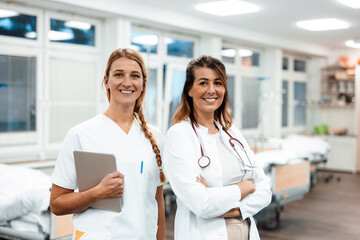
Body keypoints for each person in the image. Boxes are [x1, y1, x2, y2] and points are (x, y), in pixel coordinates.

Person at [50, 48, 166, 240]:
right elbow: (57, 204)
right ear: (106, 81)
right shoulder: (81, 134)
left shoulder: (155, 136)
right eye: (119, 74)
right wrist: (96, 193)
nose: (127, 82)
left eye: (134, 76)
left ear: (143, 84)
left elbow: (157, 200)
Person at [163, 55, 272, 240]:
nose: (212, 90)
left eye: (218, 83)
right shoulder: (179, 135)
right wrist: (244, 187)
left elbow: (264, 190)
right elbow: (201, 204)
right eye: (203, 83)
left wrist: (227, 206)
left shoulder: (232, 133)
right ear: (189, 89)